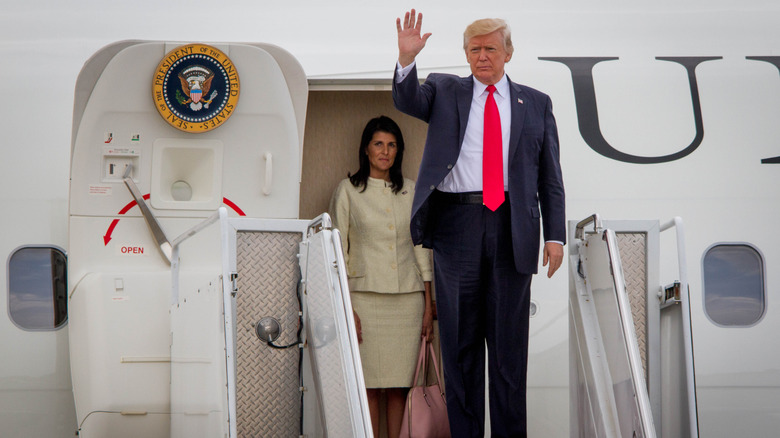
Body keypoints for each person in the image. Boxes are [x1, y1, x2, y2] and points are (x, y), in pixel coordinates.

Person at [392, 10, 566, 437]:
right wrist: (406, 59)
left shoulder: (536, 102)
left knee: (508, 351)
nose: (482, 56)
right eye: (474, 49)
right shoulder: (446, 89)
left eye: (490, 48)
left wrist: (556, 235)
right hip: (457, 225)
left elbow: (550, 175)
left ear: (508, 52)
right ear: (465, 55)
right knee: (460, 346)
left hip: (513, 226)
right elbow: (408, 100)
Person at [329, 115, 434, 438]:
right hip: (363, 301)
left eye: (391, 145)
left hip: (408, 304)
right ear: (366, 149)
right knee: (371, 389)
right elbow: (337, 253)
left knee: (402, 388)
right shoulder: (347, 191)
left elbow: (422, 250)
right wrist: (348, 308)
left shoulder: (412, 191)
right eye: (378, 144)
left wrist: (429, 305)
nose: (385, 151)